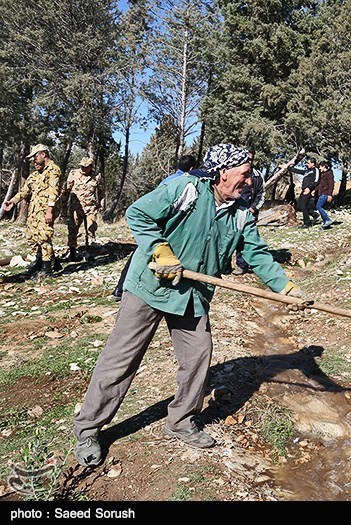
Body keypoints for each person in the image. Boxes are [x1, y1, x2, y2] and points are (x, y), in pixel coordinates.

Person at [73, 143, 306, 468]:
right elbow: (138, 213)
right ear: (223, 172)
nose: (249, 180)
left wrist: (285, 287)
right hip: (149, 287)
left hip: (192, 295)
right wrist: (160, 249)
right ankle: (88, 429)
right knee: (121, 359)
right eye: (245, 173)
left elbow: (257, 253)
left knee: (198, 355)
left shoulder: (241, 214)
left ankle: (181, 420)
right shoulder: (185, 189)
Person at [112, 155, 197, 300]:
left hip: (153, 224)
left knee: (141, 253)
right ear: (192, 168)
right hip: (163, 229)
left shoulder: (168, 180)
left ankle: (119, 289)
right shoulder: (187, 184)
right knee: (147, 256)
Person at [2, 144, 62, 277]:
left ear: (43, 154)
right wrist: (12, 201)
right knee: (32, 237)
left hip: (46, 211)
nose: (34, 160)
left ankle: (47, 270)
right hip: (34, 211)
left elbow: (54, 192)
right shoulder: (35, 175)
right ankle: (40, 262)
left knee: (44, 237)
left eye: (35, 156)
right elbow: (24, 191)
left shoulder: (53, 170)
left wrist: (49, 211)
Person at [64, 156, 104, 262]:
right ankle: (72, 253)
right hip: (75, 207)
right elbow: (66, 190)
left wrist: (101, 203)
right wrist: (63, 205)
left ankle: (89, 252)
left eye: (86, 167)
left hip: (90, 207)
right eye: (82, 167)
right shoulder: (73, 174)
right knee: (72, 229)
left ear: (91, 167)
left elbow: (101, 191)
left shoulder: (96, 176)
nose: (83, 169)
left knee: (91, 229)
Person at [233, 151, 265, 275]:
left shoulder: (258, 176)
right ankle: (224, 264)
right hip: (235, 211)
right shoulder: (235, 173)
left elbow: (262, 194)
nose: (249, 161)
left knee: (246, 238)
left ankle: (242, 265)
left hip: (250, 212)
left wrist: (253, 208)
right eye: (246, 159)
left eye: (250, 159)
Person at [292, 157, 319, 228]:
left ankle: (307, 223)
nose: (307, 164)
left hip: (308, 190)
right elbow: (298, 171)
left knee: (303, 206)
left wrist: (309, 188)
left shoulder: (315, 170)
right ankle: (314, 214)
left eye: (308, 163)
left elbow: (316, 181)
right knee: (299, 206)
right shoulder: (307, 171)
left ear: (313, 164)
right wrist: (287, 168)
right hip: (304, 190)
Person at [314, 160, 335, 230]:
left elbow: (331, 184)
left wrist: (330, 195)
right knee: (318, 206)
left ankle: (327, 220)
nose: (319, 169)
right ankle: (326, 224)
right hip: (321, 193)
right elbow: (320, 184)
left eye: (320, 167)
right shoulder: (322, 174)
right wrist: (315, 190)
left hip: (325, 193)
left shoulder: (329, 173)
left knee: (318, 206)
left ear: (323, 166)